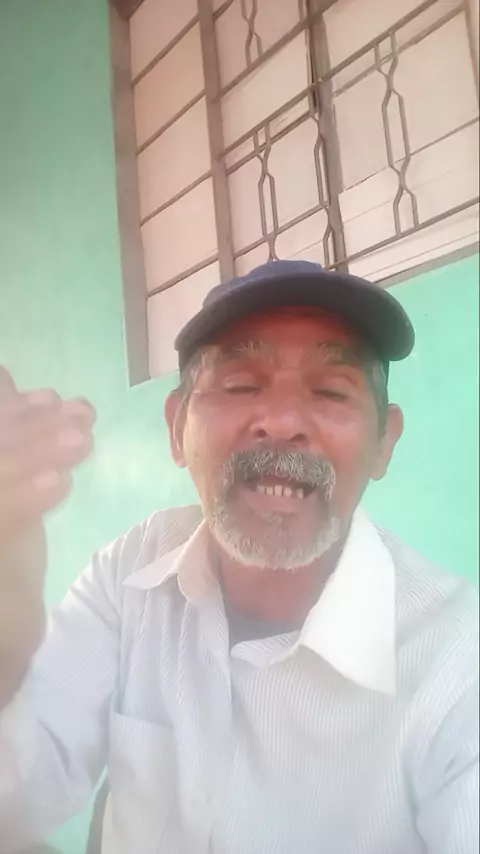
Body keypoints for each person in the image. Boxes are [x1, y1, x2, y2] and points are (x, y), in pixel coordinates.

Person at [0, 260, 478, 854]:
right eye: (241, 385)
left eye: (331, 391)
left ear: (385, 441)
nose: (280, 422)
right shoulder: (130, 571)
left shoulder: (459, 659)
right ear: (176, 428)